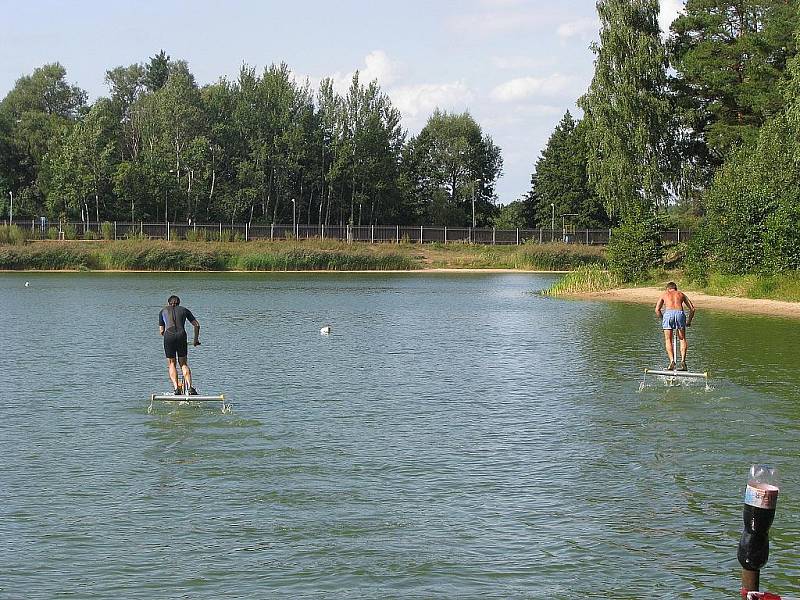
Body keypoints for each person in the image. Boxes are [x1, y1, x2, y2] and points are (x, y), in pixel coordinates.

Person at [159, 295, 200, 394]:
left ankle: (176, 388)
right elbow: (197, 325)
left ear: (168, 303)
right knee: (183, 363)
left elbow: (161, 331)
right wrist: (195, 340)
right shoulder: (184, 310)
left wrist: (168, 337)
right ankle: (190, 388)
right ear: (179, 303)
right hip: (182, 336)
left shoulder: (162, 311)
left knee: (172, 363)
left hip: (168, 336)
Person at [655, 282, 695, 371]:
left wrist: (663, 320)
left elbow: (657, 310)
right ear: (675, 288)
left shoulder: (664, 294)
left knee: (668, 339)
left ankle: (672, 361)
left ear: (667, 289)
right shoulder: (681, 294)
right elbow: (692, 309)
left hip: (668, 314)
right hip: (680, 313)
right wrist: (688, 321)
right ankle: (683, 361)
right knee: (682, 339)